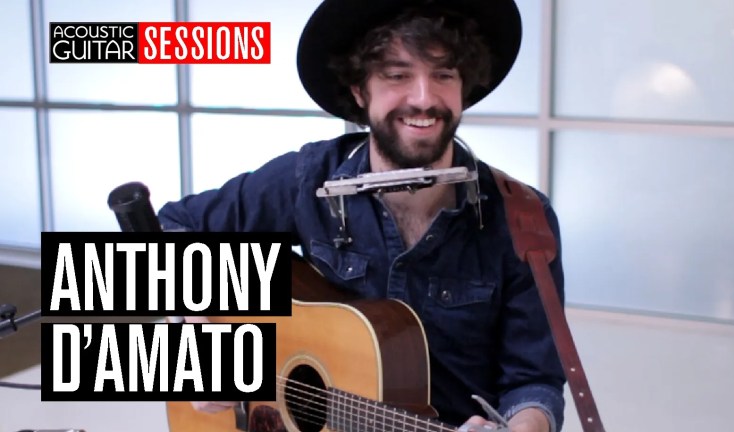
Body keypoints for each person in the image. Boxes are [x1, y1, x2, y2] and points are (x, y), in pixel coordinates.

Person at [158, 0, 567, 431]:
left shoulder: (523, 220)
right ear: (359, 89)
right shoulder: (309, 178)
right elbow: (174, 227)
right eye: (397, 75)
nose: (425, 98)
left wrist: (526, 427)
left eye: (444, 75)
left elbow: (535, 380)